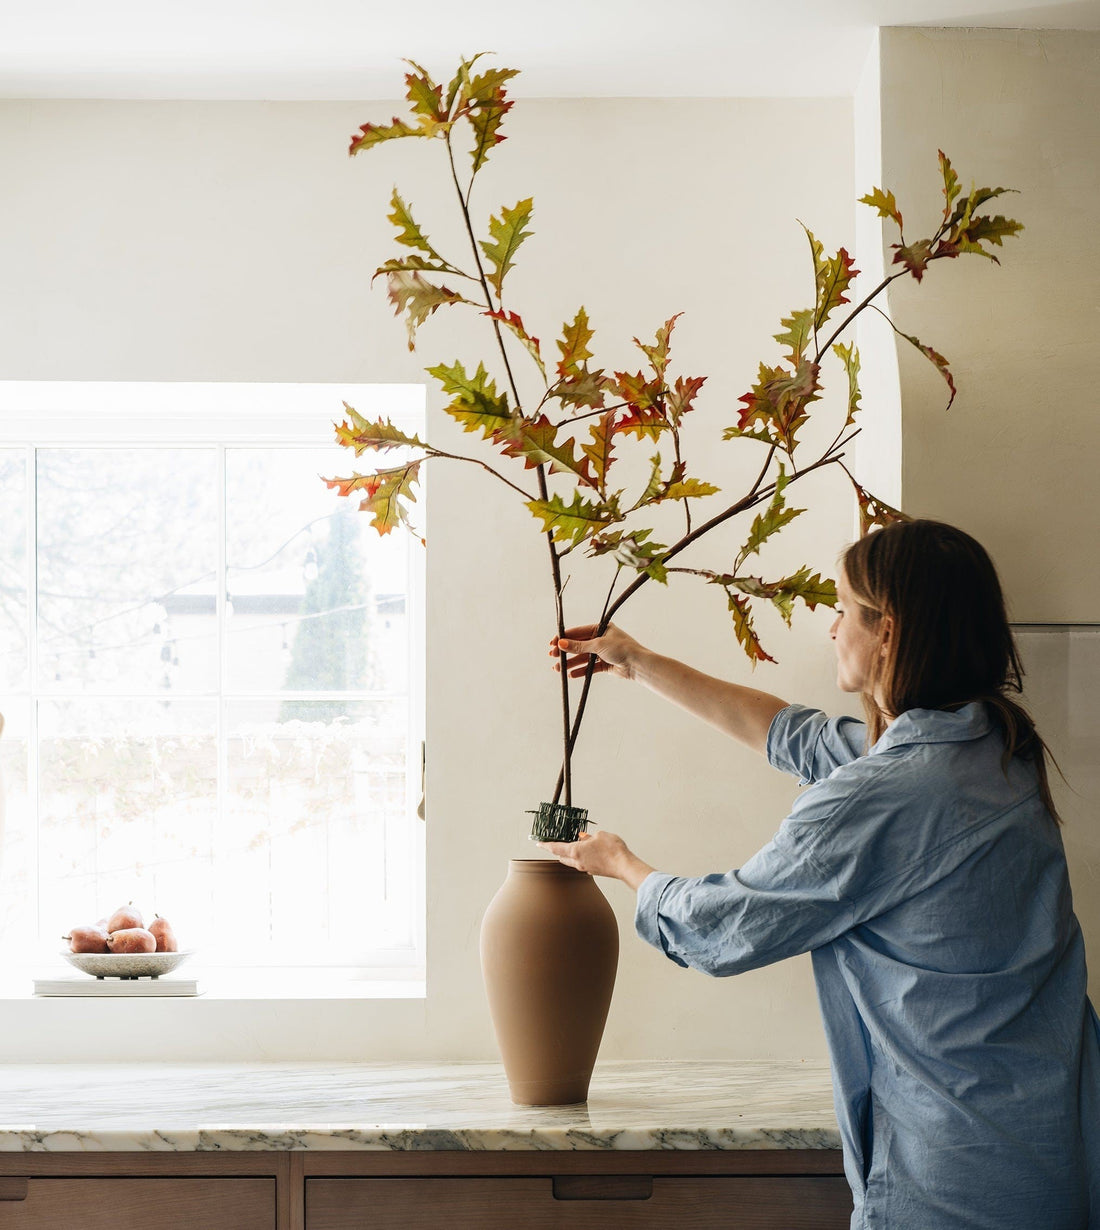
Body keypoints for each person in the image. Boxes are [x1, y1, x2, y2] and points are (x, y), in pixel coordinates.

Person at [540, 519, 1100, 1230]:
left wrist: (621, 864)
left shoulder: (887, 796)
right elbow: (794, 735)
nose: (831, 629)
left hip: (953, 1181)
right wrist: (639, 661)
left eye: (841, 609)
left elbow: (721, 928)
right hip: (1053, 1153)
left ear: (887, 630)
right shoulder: (993, 745)